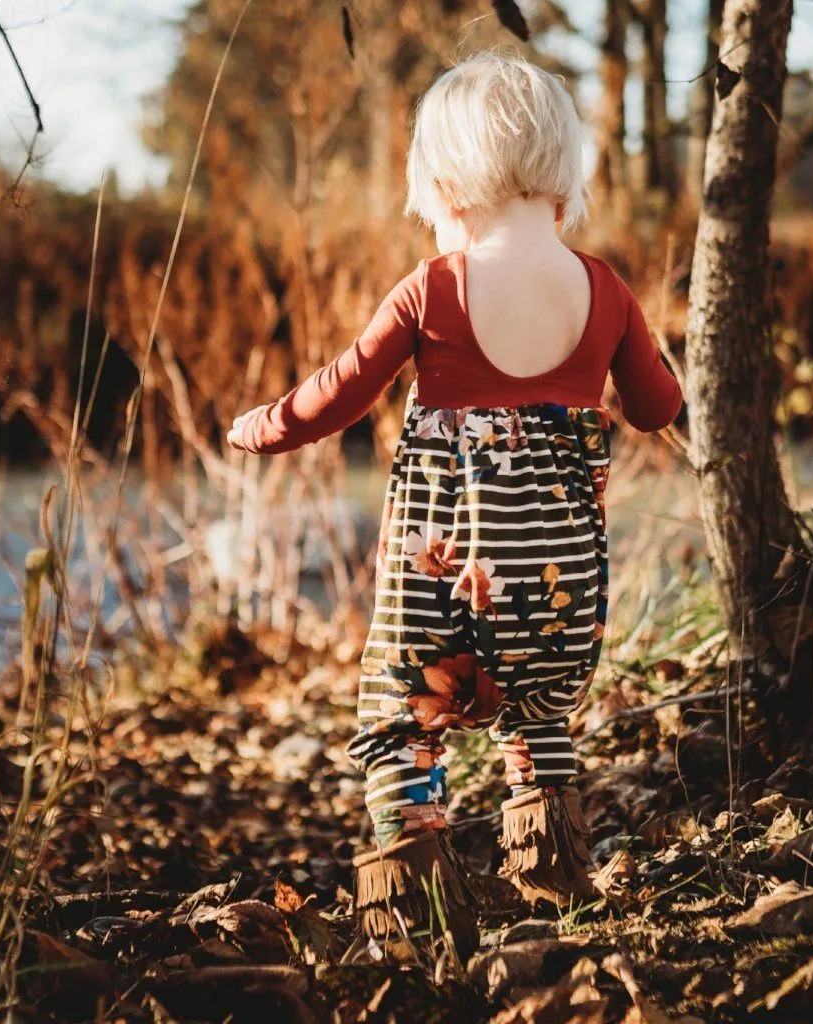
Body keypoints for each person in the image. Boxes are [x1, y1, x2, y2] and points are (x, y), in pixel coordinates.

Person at [227, 52, 682, 964]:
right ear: (561, 174)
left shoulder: (435, 291)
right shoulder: (603, 291)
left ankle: (416, 918)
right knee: (539, 718)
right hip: (562, 601)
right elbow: (657, 409)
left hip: (442, 598)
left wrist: (259, 426)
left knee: (399, 725)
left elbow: (338, 395)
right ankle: (554, 880)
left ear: (444, 183)